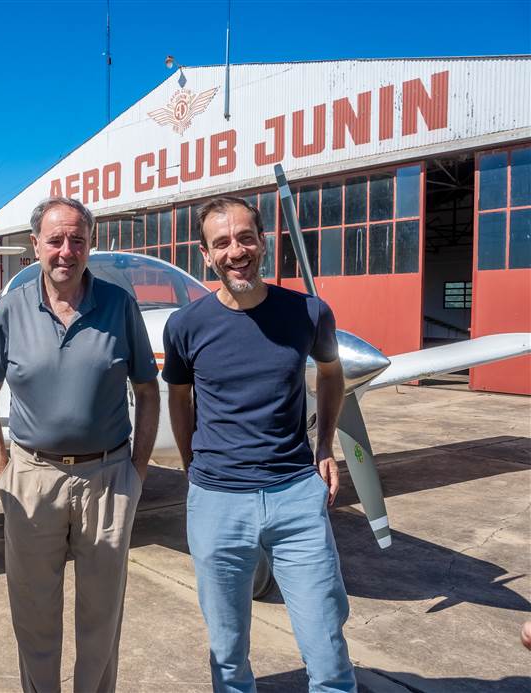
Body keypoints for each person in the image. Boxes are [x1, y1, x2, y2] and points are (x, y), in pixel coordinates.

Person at [162, 196, 355, 692]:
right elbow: (179, 401)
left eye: (246, 237)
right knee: (227, 657)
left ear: (264, 242)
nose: (236, 251)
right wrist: (193, 468)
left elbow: (331, 373)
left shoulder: (309, 313)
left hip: (295, 496)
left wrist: (324, 445)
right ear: (206, 255)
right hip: (216, 501)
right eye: (221, 242)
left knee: (328, 652)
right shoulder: (185, 326)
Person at [0, 196, 160, 692]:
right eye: (55, 239)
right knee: (34, 614)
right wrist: (5, 470)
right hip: (33, 478)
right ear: (35, 245)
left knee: (102, 616)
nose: (66, 250)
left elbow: (147, 389)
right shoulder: (8, 311)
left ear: (90, 244)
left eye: (77, 239)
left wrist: (136, 472)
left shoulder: (119, 306)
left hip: (108, 476)